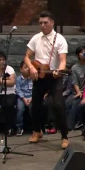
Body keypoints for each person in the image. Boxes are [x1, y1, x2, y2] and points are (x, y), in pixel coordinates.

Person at [23, 10, 69, 149]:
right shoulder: (36, 38)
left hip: (53, 76)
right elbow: (27, 56)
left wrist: (59, 71)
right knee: (35, 105)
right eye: (40, 23)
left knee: (58, 105)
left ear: (52, 23)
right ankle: (37, 131)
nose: (43, 25)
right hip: (39, 74)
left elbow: (62, 60)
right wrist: (31, 67)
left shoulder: (60, 39)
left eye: (45, 23)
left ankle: (64, 136)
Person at [0, 52, 17, 136]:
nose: (2, 62)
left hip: (9, 93)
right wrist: (5, 81)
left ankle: (10, 128)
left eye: (3, 60)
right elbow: (8, 81)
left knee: (8, 104)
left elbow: (12, 82)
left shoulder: (9, 69)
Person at [15, 61, 33, 136]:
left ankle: (34, 127)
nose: (28, 69)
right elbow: (17, 90)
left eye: (29, 67)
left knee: (33, 108)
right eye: (25, 67)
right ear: (21, 69)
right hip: (22, 97)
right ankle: (19, 127)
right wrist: (24, 98)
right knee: (20, 108)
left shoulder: (33, 78)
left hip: (31, 97)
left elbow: (35, 89)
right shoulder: (18, 79)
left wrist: (31, 98)